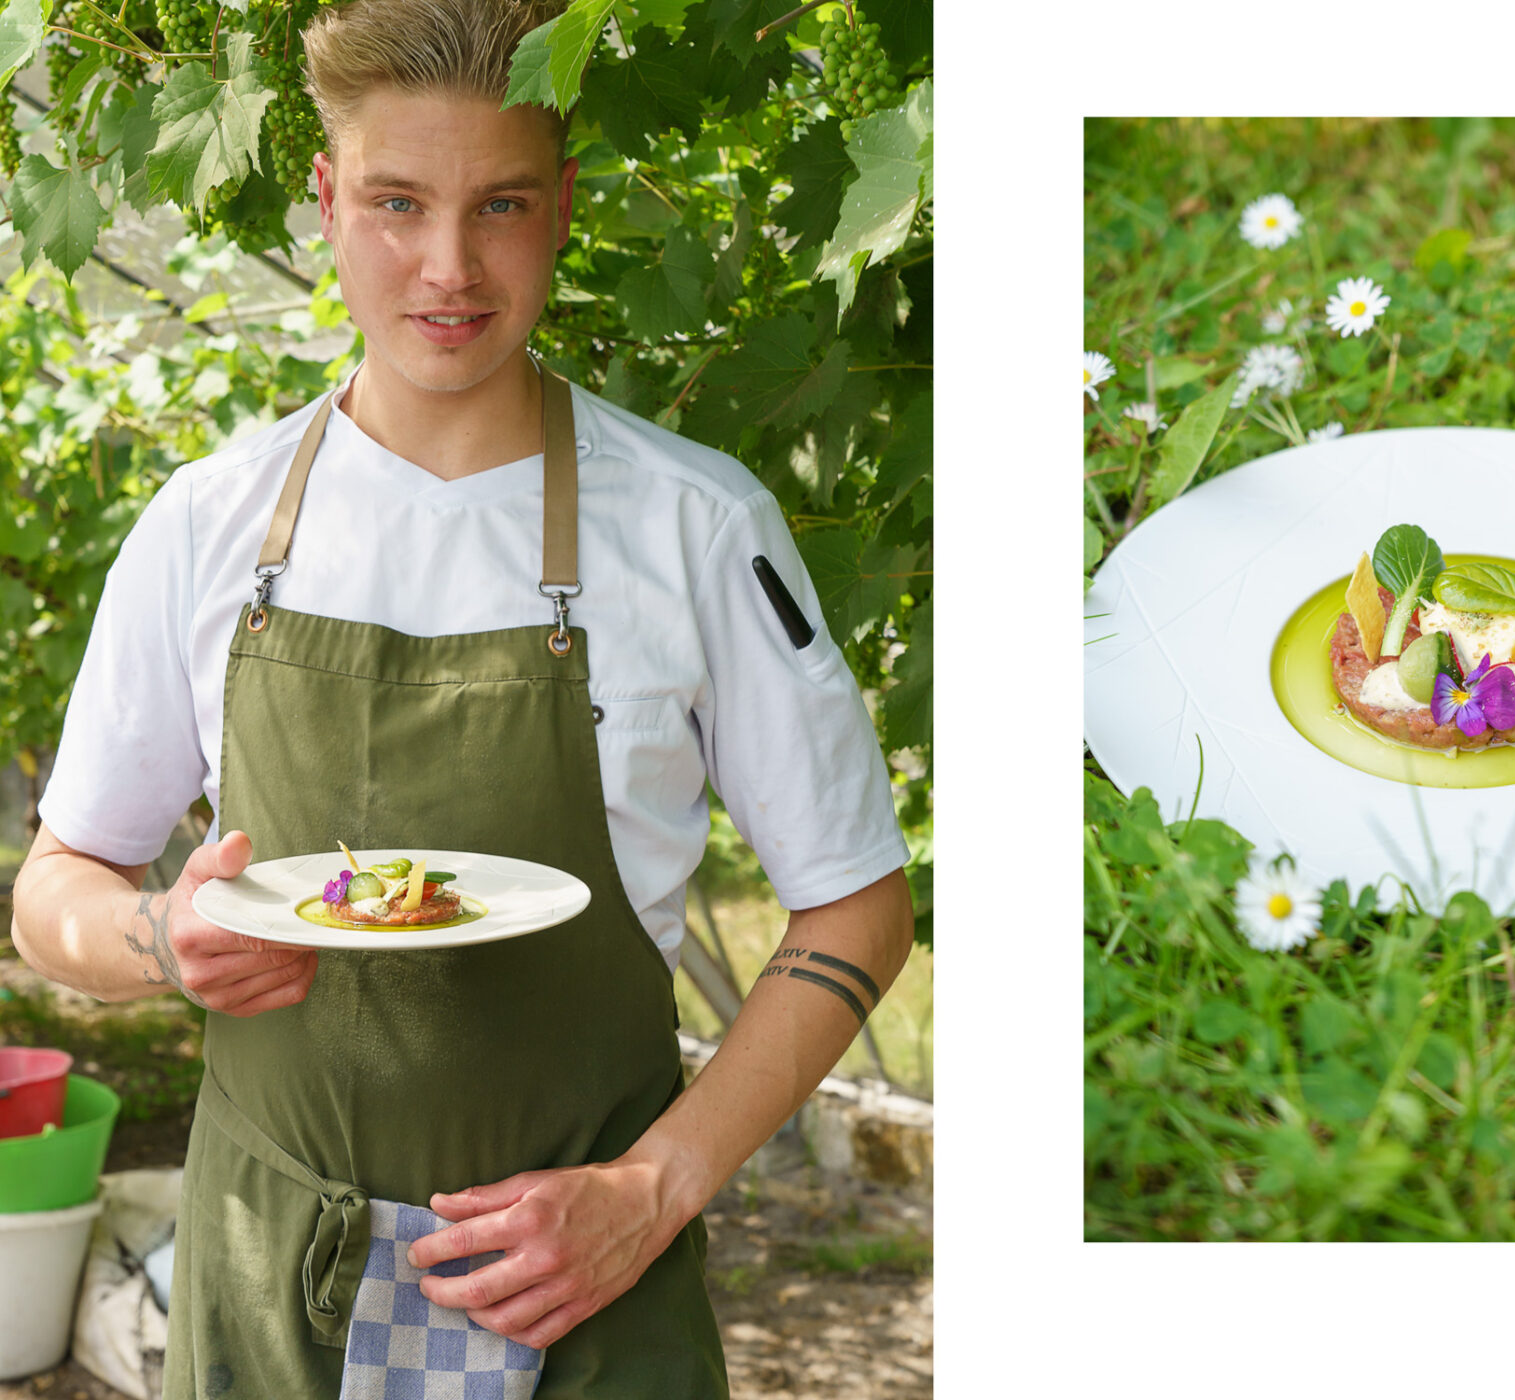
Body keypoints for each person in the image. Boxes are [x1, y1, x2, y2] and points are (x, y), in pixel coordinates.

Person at [7, 1, 915, 1395]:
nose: (447, 266)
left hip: (581, 1294)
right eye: (394, 202)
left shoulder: (692, 526)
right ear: (323, 200)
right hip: (268, 1293)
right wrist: (155, 934)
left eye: (498, 204)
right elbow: (57, 885)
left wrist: (652, 1192)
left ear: (561, 208)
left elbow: (855, 900)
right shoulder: (208, 523)